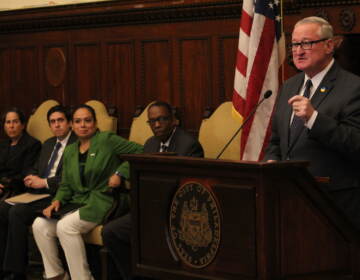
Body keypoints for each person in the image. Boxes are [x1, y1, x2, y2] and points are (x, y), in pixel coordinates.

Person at [264, 16, 360, 229]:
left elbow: (356, 143)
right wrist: (271, 162)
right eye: (295, 44)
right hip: (291, 198)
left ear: (328, 45)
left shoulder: (353, 87)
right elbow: (276, 141)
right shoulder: (289, 86)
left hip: (334, 202)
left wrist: (314, 119)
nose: (298, 51)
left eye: (306, 43)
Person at [32, 104, 144, 280]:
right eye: (78, 121)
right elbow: (66, 185)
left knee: (65, 226)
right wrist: (57, 200)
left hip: (103, 200)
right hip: (77, 202)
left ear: (95, 122)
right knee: (39, 225)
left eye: (87, 120)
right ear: (72, 125)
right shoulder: (70, 151)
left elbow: (141, 152)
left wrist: (120, 173)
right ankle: (57, 275)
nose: (82, 125)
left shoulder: (107, 140)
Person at [102, 101, 204, 280]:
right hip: (150, 210)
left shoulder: (188, 145)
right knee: (111, 232)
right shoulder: (149, 144)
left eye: (162, 119)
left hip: (177, 215)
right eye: (153, 121)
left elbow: (190, 189)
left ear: (174, 121)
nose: (157, 125)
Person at [0, 105, 76, 280]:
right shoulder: (48, 143)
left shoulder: (76, 143)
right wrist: (30, 176)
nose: (56, 125)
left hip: (59, 195)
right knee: (4, 207)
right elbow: (34, 167)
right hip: (38, 193)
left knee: (17, 212)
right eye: (53, 122)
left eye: (60, 120)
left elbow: (70, 178)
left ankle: (17, 271)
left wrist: (44, 182)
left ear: (69, 123)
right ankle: (5, 268)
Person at [0, 108, 41, 278]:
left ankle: (9, 268)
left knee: (2, 210)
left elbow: (26, 173)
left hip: (19, 190)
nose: (11, 126)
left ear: (23, 125)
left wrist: (3, 183)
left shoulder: (32, 145)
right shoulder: (2, 145)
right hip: (3, 188)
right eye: (8, 122)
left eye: (15, 122)